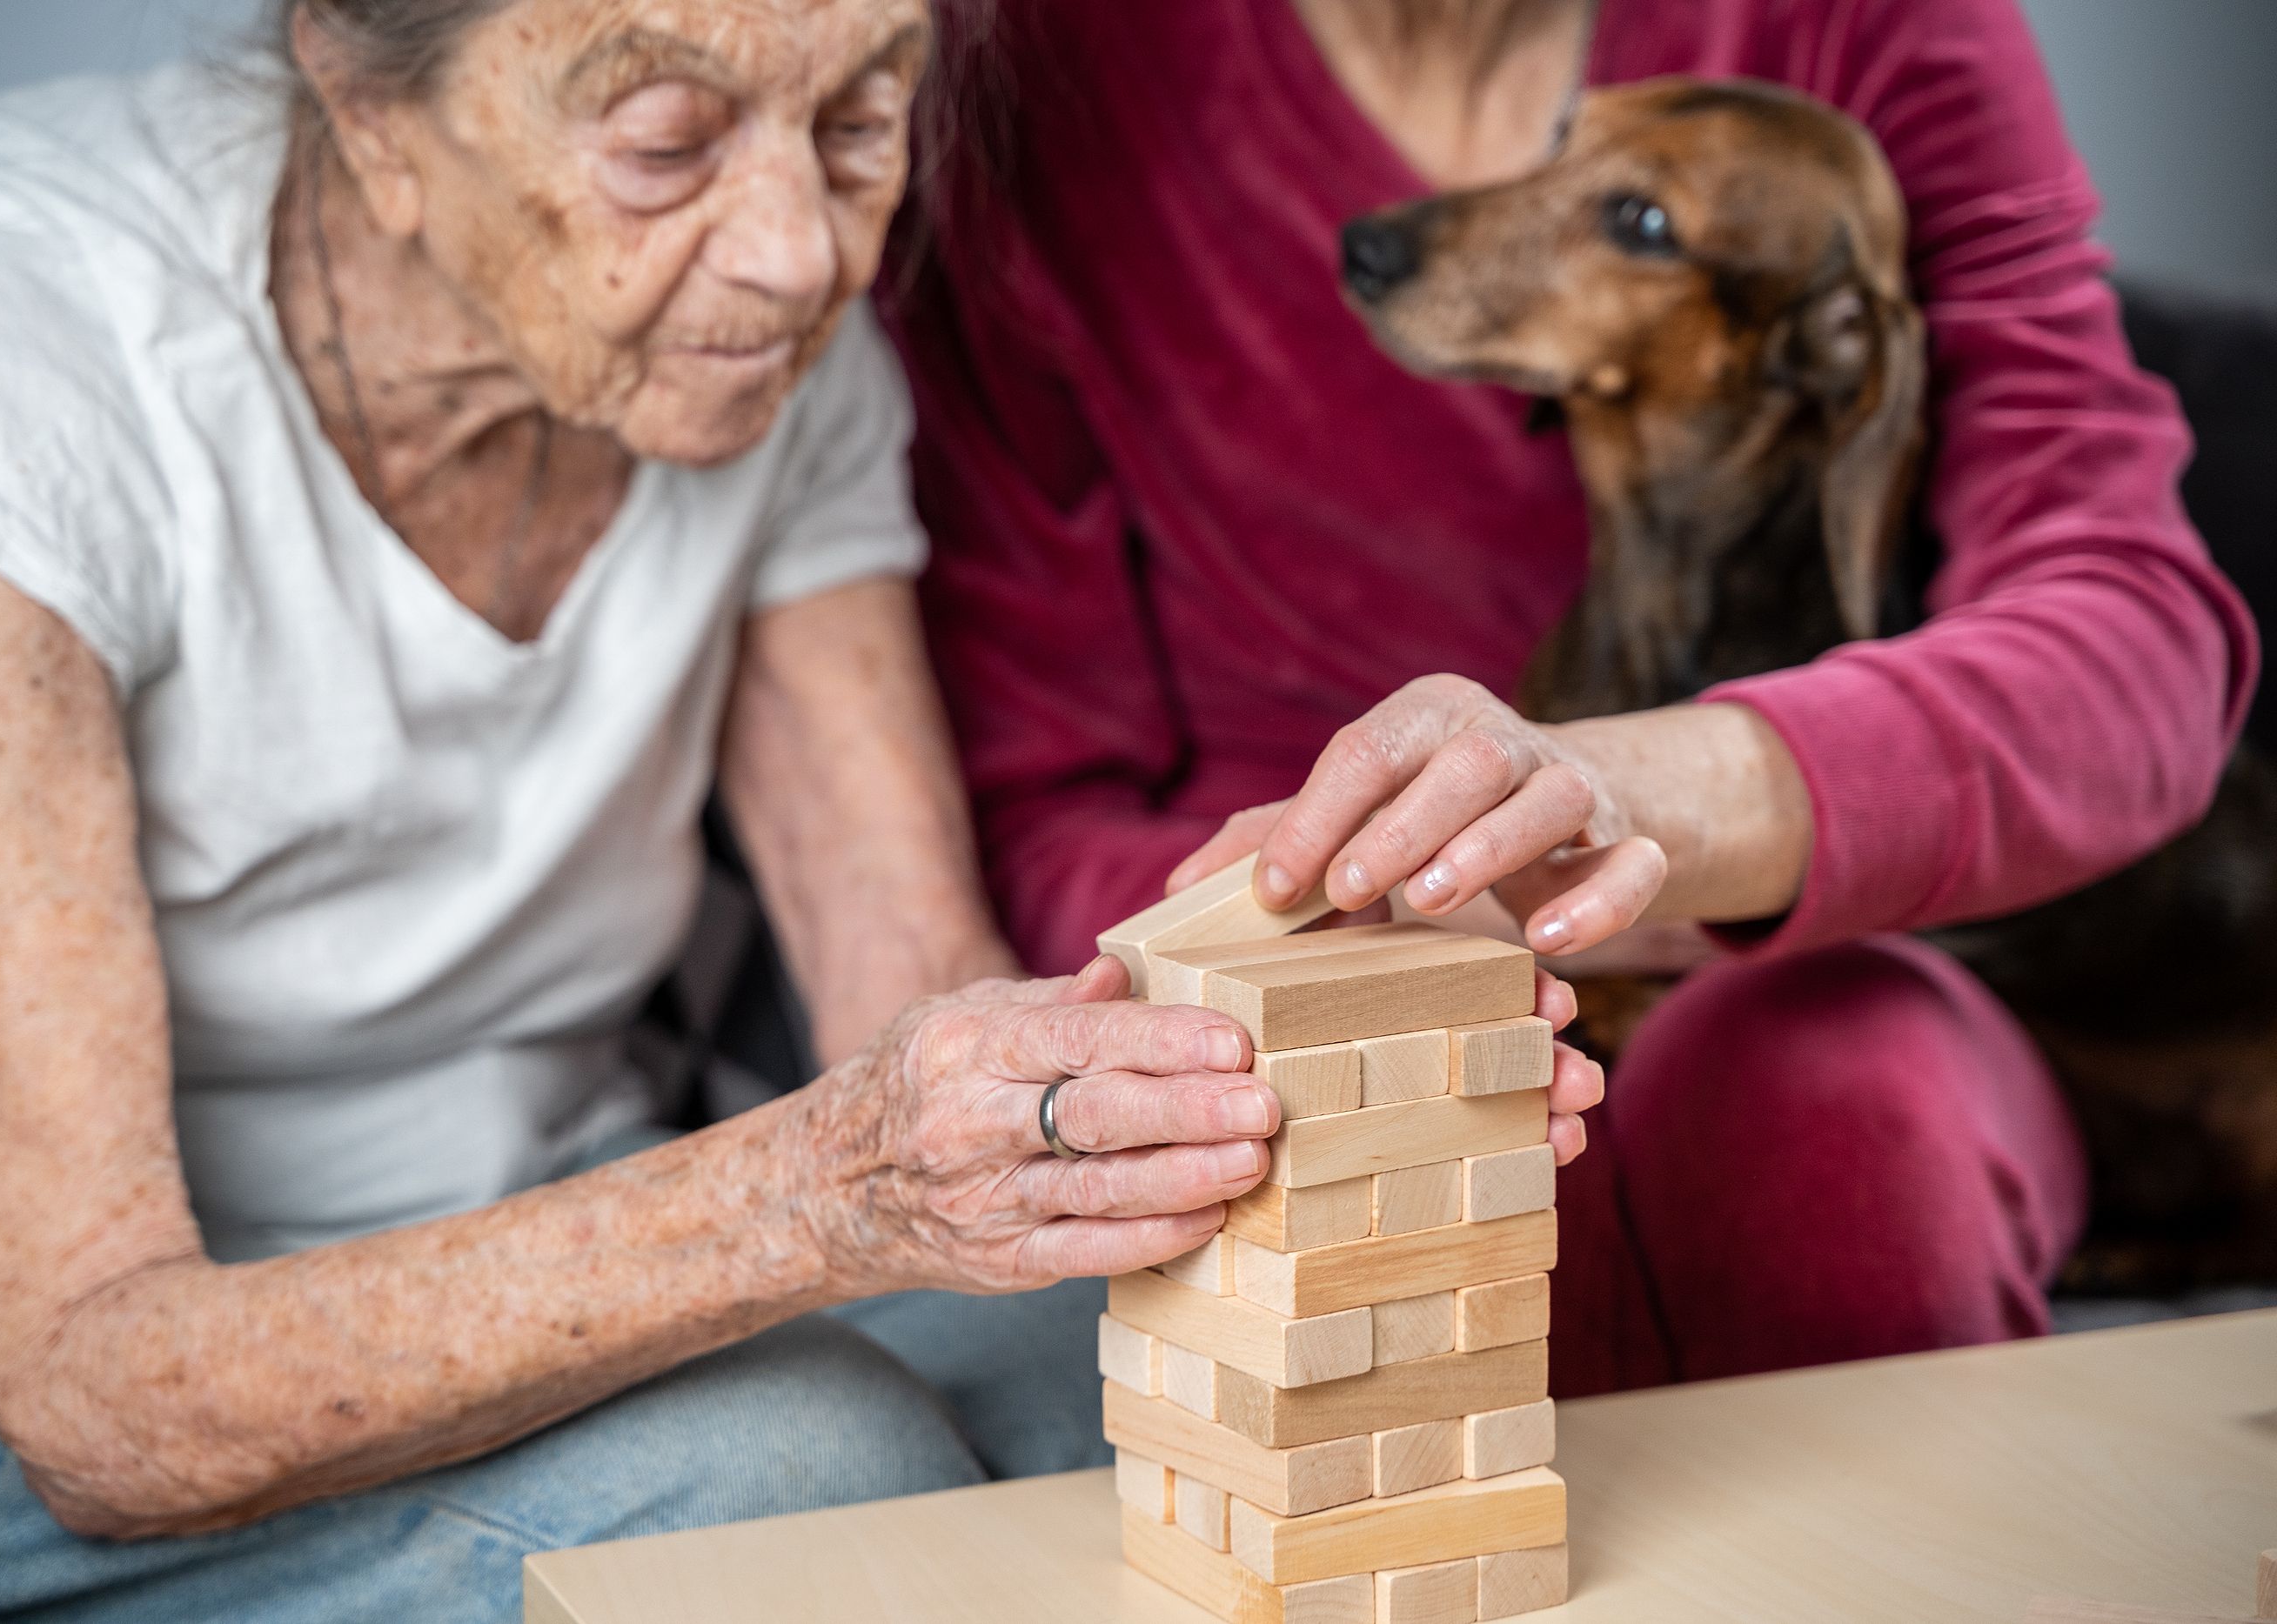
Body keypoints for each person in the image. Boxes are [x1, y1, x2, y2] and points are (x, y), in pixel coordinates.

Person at [0, 4, 1604, 1619]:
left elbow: (905, 979)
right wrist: (823, 1189)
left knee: (1122, 1360)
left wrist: (1334, 1073)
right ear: (368, 103)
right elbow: (90, 1383)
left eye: (859, 123)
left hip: (535, 1174)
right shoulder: (28, 344)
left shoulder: (758, 355)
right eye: (667, 144)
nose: (798, 255)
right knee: (801, 1478)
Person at [887, 0, 2260, 1395]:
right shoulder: (1022, 68)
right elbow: (1035, 817)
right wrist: (1377, 935)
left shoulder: (1871, 26)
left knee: (1826, 1098)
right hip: (1308, 981)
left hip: (1879, 973)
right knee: (1474, 1145)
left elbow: (2134, 640)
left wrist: (1644, 818)